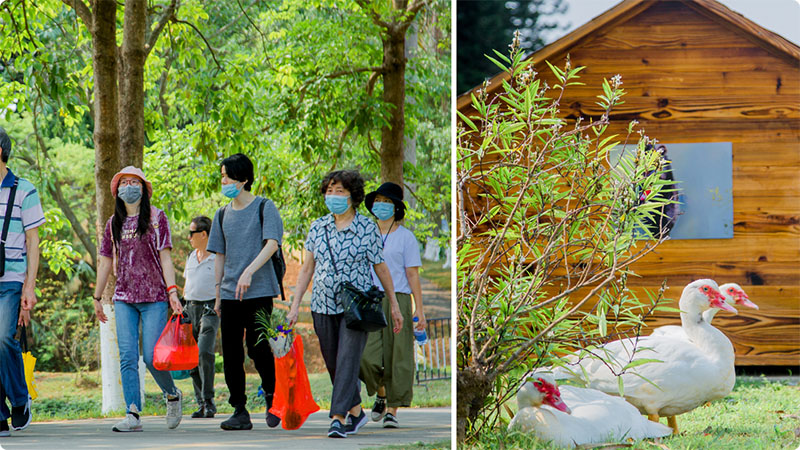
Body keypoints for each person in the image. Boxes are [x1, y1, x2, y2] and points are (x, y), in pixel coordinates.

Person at [287, 170, 404, 439]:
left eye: (339, 191)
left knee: (348, 359)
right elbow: (307, 269)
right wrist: (294, 306)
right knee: (334, 362)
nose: (333, 196)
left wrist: (395, 305)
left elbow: (381, 267)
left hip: (356, 307)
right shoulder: (318, 227)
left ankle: (337, 418)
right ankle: (356, 410)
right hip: (322, 304)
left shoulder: (367, 228)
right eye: (329, 191)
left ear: (353, 195)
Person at [93, 166, 184, 432]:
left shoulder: (157, 217)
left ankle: (172, 394)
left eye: (135, 182)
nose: (129, 186)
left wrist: (173, 292)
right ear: (117, 191)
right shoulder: (113, 224)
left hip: (155, 296)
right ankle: (132, 413)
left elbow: (166, 257)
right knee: (127, 356)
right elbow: (106, 261)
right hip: (123, 298)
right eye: (125, 182)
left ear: (144, 189)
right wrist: (97, 297)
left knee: (152, 358)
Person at [206, 153, 283, 431]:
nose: (223, 180)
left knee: (258, 347)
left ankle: (273, 398)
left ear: (244, 179)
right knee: (231, 353)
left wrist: (250, 271)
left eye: (227, 175)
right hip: (229, 294)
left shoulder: (265, 207)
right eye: (222, 175)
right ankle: (239, 409)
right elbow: (219, 256)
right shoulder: (222, 213)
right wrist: (217, 294)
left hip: (259, 291)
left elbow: (272, 243)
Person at [359, 182, 425, 428]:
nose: (382, 206)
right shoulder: (364, 232)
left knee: (399, 356)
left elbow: (413, 276)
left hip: (399, 298)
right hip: (371, 299)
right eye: (379, 201)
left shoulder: (406, 237)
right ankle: (382, 392)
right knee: (366, 356)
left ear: (396, 208)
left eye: (388, 203)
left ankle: (392, 411)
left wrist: (420, 308)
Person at [0, 127, 44, 438]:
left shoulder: (24, 189)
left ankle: (19, 400)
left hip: (12, 278)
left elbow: (33, 240)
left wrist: (29, 286)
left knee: (3, 339)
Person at [183, 216, 220, 419]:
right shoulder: (191, 255)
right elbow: (187, 285)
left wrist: (218, 305)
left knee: (204, 352)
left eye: (192, 233)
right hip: (190, 309)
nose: (189, 237)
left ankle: (209, 400)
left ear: (204, 234)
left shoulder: (217, 257)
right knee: (191, 359)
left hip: (209, 309)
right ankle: (200, 403)